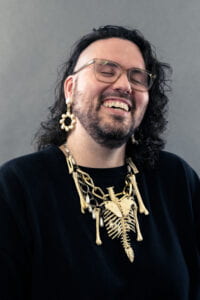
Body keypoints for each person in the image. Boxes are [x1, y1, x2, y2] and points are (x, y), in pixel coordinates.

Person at [0, 25, 199, 300]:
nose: (124, 85)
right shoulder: (17, 186)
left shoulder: (176, 179)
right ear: (71, 89)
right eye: (106, 70)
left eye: (137, 77)